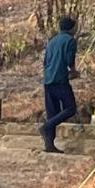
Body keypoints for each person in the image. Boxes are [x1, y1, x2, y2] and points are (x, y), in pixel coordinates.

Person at [40, 15, 79, 153]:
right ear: (71, 28)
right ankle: (46, 126)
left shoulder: (52, 41)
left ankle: (49, 145)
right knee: (70, 108)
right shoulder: (70, 40)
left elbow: (45, 62)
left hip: (48, 80)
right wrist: (73, 72)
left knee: (52, 112)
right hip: (60, 80)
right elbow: (69, 61)